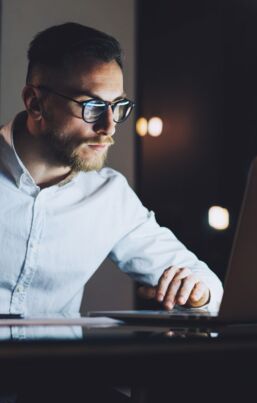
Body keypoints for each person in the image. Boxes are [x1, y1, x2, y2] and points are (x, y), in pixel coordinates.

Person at [0, 22, 223, 315]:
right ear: (35, 103)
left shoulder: (109, 195)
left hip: (59, 363)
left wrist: (195, 291)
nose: (109, 127)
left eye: (117, 106)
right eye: (91, 106)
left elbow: (208, 286)